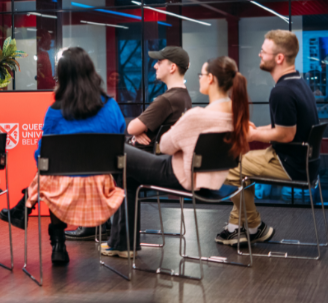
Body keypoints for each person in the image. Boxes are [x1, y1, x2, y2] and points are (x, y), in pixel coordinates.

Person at [104, 56, 250, 258]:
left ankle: (122, 243)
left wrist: (179, 131)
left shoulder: (198, 116)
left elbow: (165, 145)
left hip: (180, 175)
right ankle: (120, 243)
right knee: (127, 174)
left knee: (119, 151)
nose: (198, 79)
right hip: (212, 180)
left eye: (201, 74)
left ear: (211, 79)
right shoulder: (236, 114)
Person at [0, 47, 127, 265]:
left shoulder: (55, 111)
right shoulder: (111, 106)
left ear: (62, 77)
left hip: (62, 193)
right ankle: (22, 208)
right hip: (103, 189)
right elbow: (119, 141)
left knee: (52, 174)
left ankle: (57, 243)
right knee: (53, 173)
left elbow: (42, 156)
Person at [67, 46, 192, 241]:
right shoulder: (184, 97)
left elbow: (133, 127)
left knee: (100, 156)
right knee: (113, 158)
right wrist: (136, 134)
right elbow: (139, 131)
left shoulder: (167, 100)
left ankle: (95, 223)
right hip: (160, 158)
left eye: (159, 62)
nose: (154, 65)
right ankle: (110, 231)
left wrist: (135, 132)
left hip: (154, 161)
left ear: (172, 67)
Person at [216, 30, 318, 246]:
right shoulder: (298, 82)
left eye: (263, 51)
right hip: (302, 159)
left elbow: (286, 134)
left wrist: (253, 133)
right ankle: (236, 227)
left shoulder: (281, 91)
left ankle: (254, 227)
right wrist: (259, 128)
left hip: (290, 163)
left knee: (227, 167)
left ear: (279, 57)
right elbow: (287, 127)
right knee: (242, 165)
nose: (260, 55)